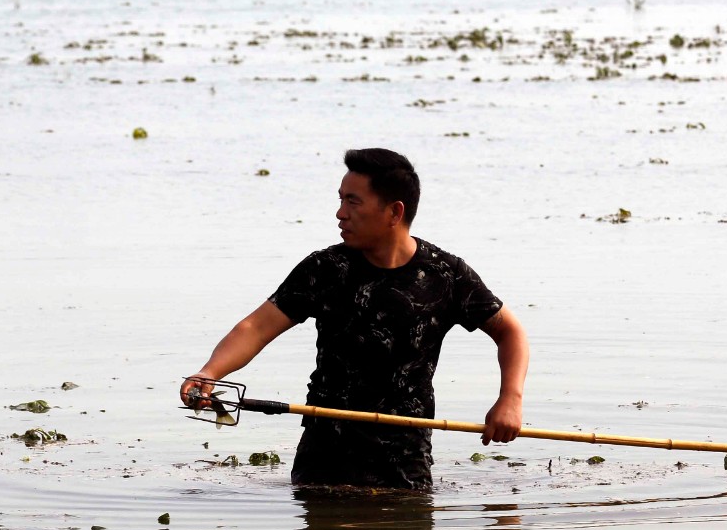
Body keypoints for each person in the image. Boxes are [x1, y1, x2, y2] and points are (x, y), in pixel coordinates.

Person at [180, 148, 529, 491]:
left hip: (406, 463)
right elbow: (255, 328)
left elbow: (510, 332)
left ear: (394, 212)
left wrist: (509, 399)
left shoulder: (445, 274)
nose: (340, 213)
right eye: (341, 200)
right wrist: (210, 372)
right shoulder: (325, 269)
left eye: (353, 202)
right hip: (323, 459)